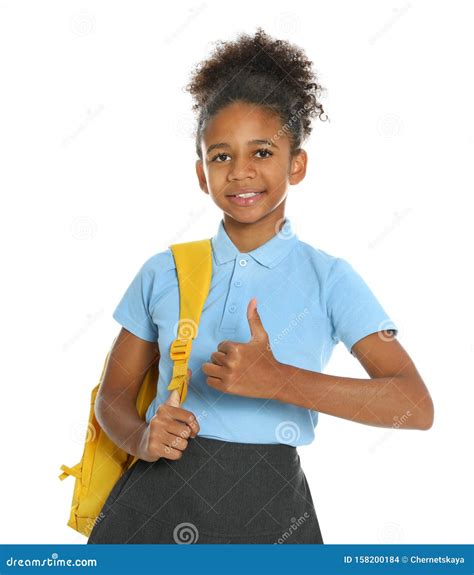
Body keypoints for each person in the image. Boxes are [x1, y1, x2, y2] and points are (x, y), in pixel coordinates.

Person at [87, 28, 434, 545]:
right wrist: (141, 436)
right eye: (221, 156)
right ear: (202, 174)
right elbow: (112, 397)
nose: (241, 172)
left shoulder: (331, 279)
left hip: (271, 514)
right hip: (150, 509)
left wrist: (278, 381)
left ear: (297, 163)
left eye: (263, 152)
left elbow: (414, 405)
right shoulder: (165, 272)